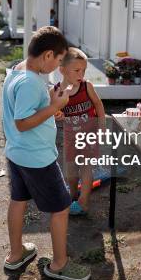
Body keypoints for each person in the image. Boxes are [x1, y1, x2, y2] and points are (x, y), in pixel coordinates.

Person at [2, 26, 91, 280]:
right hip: (37, 157)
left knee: (19, 200)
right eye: (58, 61)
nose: (56, 68)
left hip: (17, 153)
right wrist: (53, 107)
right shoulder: (31, 81)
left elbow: (28, 109)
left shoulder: (19, 70)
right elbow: (22, 121)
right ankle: (59, 265)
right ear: (48, 55)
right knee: (62, 208)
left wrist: (50, 104)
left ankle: (16, 254)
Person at [54, 48, 106, 216]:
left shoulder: (86, 86)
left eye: (83, 70)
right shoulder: (56, 92)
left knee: (86, 167)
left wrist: (102, 124)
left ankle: (83, 201)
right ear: (62, 70)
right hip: (70, 137)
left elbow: (98, 104)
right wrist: (57, 115)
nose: (81, 74)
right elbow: (54, 112)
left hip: (89, 134)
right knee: (70, 170)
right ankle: (72, 194)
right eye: (77, 70)